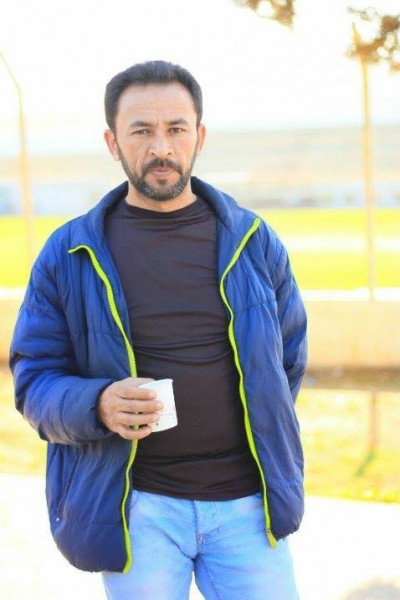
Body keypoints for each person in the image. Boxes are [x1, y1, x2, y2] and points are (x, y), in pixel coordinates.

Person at [10, 60, 307, 600]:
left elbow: (287, 361)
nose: (161, 147)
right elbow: (34, 383)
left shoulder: (253, 240)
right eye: (141, 131)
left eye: (176, 128)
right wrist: (97, 404)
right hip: (138, 510)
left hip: (247, 508)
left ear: (200, 137)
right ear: (112, 142)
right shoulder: (69, 253)